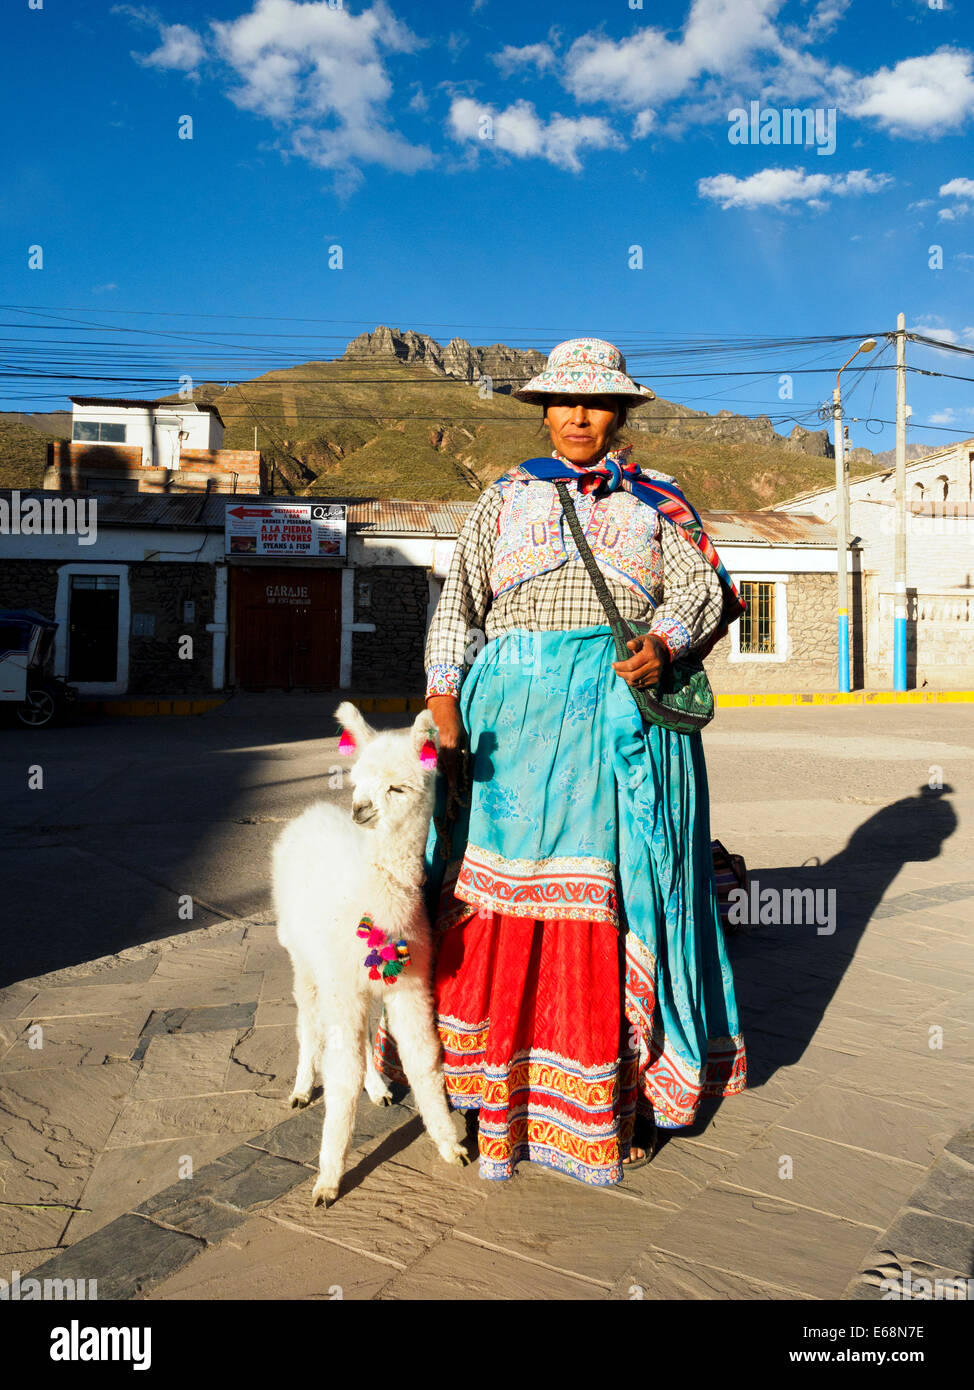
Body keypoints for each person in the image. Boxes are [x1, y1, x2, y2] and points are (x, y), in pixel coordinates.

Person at [375, 337, 747, 1185]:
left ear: (620, 415)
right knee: (490, 891)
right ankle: (482, 1084)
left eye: (596, 404)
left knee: (611, 894)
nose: (579, 417)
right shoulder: (502, 497)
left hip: (613, 721)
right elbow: (458, 603)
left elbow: (709, 589)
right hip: (508, 721)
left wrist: (664, 642)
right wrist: (442, 696)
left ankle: (613, 1097)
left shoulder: (660, 503)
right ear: (544, 411)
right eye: (564, 403)